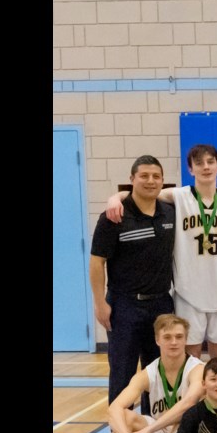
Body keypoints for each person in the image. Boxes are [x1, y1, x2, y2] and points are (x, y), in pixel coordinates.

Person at [106, 145, 217, 360]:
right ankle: (194, 395)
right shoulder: (178, 196)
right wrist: (115, 198)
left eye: (210, 162)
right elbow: (141, 191)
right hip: (187, 290)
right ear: (190, 169)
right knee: (191, 355)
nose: (205, 167)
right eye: (199, 163)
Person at [66, 315, 204, 433]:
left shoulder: (197, 368)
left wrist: (146, 432)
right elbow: (114, 408)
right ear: (157, 340)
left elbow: (188, 403)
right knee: (124, 415)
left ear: (186, 339)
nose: (174, 342)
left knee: (185, 417)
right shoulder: (149, 373)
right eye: (167, 337)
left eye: (179, 337)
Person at [90, 155, 176, 408]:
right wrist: (100, 303)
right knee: (122, 373)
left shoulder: (169, 212)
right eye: (144, 176)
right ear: (132, 180)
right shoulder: (113, 217)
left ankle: (153, 429)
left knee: (157, 372)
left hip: (161, 303)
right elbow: (97, 262)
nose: (151, 181)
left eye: (156, 176)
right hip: (123, 305)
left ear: (162, 181)